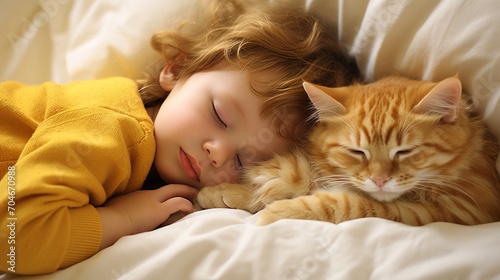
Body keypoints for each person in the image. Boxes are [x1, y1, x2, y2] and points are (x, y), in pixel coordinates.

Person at [0, 0, 359, 275]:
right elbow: (14, 236)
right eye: (219, 114)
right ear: (177, 68)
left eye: (243, 161)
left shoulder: (144, 156)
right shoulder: (111, 127)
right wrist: (121, 222)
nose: (216, 153)